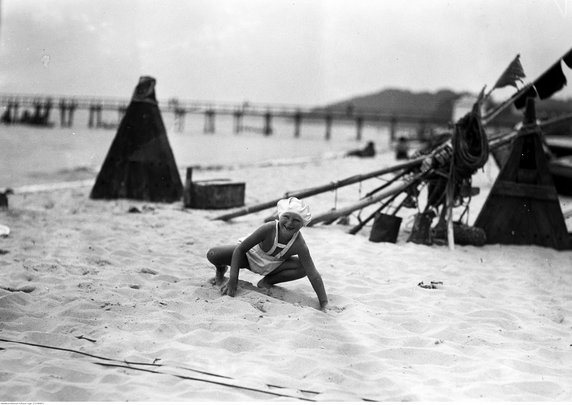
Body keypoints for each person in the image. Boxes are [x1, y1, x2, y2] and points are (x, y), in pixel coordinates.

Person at [206, 197, 328, 310]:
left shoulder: (299, 244)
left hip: (273, 267)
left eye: (296, 220)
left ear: (302, 225)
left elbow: (313, 274)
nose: (290, 223)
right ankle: (221, 269)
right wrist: (233, 280)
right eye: (286, 217)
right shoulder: (268, 229)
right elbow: (240, 249)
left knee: (304, 268)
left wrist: (324, 303)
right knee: (213, 254)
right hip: (249, 257)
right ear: (280, 215)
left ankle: (267, 282)